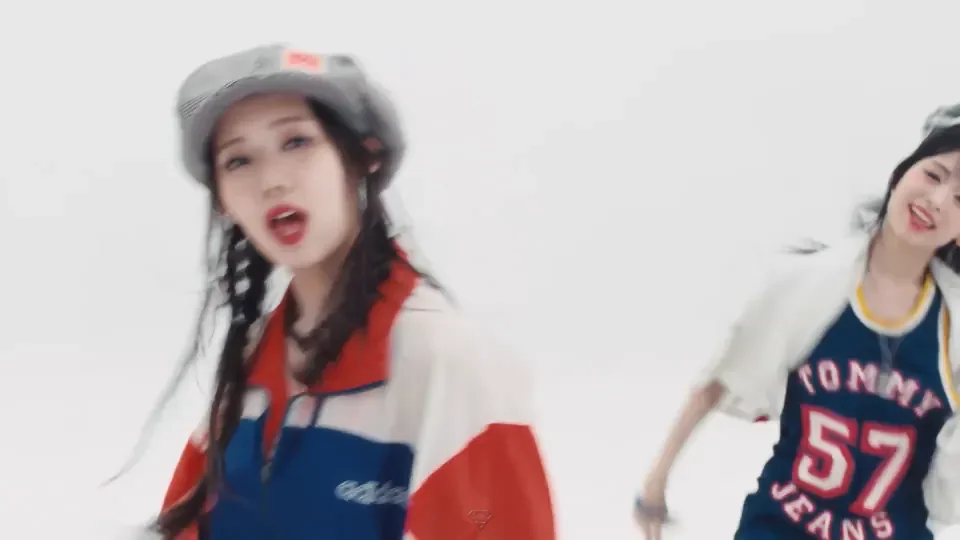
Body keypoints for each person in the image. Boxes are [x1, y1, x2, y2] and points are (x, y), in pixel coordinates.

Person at [143, 44, 555, 540]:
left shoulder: (448, 359)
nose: (271, 181)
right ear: (222, 201)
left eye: (297, 141)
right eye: (238, 160)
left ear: (364, 157)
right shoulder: (252, 361)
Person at [635, 103, 960, 540]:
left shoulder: (951, 329)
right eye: (934, 175)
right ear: (900, 175)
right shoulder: (808, 286)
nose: (936, 201)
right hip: (779, 527)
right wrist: (655, 486)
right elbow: (718, 380)